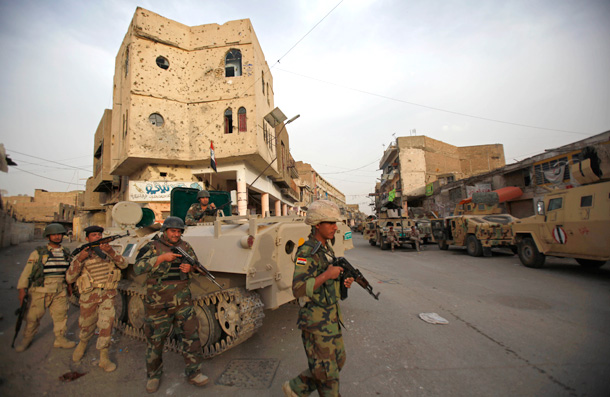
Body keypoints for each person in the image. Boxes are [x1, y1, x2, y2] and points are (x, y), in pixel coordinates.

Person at [283, 200, 354, 397]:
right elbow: (298, 289)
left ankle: (297, 388)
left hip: (331, 318)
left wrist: (341, 282)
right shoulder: (307, 252)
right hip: (315, 321)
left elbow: (328, 283)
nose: (335, 227)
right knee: (328, 375)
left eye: (335, 222)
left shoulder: (326, 249)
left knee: (339, 360)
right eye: (330, 223)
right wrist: (326, 275)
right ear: (317, 225)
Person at [134, 216, 208, 393]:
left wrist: (190, 269)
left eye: (179, 231)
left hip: (183, 302)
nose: (176, 234)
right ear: (165, 231)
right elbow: (138, 268)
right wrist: (160, 258)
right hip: (158, 304)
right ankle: (153, 375)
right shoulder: (152, 247)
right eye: (173, 231)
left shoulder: (186, 247)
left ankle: (194, 372)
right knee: (155, 341)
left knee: (191, 338)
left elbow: (197, 266)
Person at [66, 225, 128, 372]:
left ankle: (103, 357)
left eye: (99, 235)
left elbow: (123, 264)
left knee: (106, 325)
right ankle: (82, 344)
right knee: (86, 324)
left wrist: (111, 252)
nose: (98, 237)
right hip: (89, 295)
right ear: (87, 238)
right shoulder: (82, 254)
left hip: (107, 294)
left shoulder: (108, 252)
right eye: (94, 235)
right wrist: (80, 260)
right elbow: (69, 277)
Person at [15, 223, 76, 352]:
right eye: (54, 234)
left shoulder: (65, 252)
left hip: (60, 289)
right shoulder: (38, 252)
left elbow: (68, 272)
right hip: (40, 290)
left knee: (61, 316)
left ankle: (60, 339)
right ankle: (26, 339)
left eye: (59, 234)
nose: (57, 237)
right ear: (48, 236)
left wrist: (69, 286)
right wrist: (22, 290)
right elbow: (27, 272)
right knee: (33, 318)